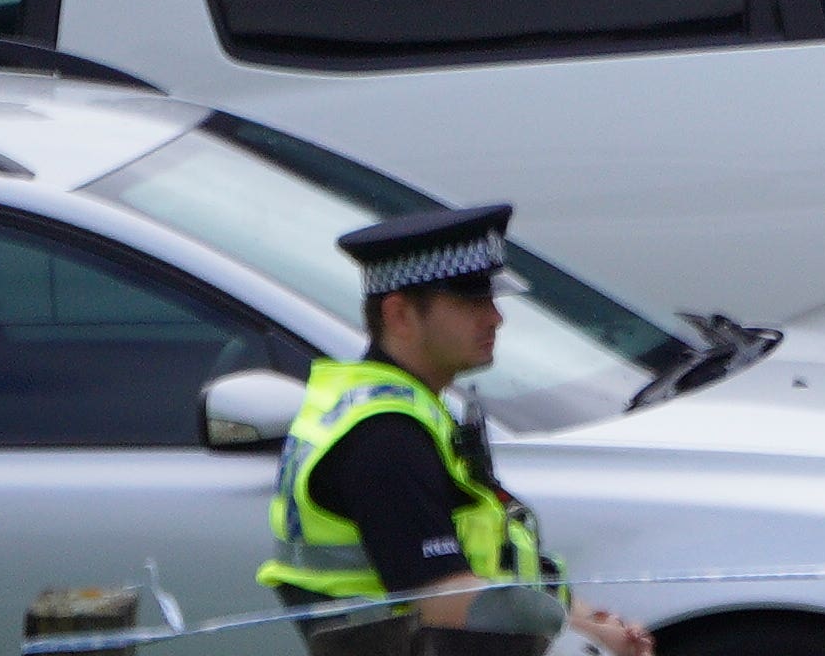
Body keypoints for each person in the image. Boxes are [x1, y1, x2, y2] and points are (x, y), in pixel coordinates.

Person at [262, 202, 652, 654]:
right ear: (400, 315)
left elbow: (494, 561)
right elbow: (444, 603)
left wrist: (590, 616)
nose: (495, 317)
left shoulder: (407, 407)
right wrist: (585, 636)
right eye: (470, 301)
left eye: (490, 298)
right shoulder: (383, 437)